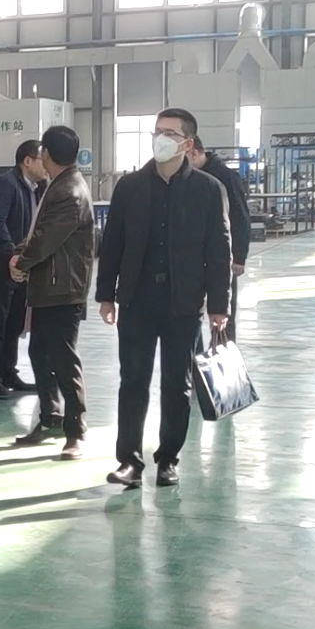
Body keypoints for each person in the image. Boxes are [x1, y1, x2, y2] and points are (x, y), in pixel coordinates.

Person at [96, 108, 231, 490]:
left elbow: (219, 251)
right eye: (157, 131)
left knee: (177, 386)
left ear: (187, 144)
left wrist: (219, 306)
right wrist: (106, 295)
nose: (160, 138)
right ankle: (129, 461)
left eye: (169, 133)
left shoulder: (208, 190)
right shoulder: (130, 187)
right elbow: (112, 243)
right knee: (133, 382)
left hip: (182, 303)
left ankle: (168, 459)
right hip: (137, 301)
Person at [8, 126, 95, 460]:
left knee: (63, 359)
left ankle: (76, 431)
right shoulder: (57, 185)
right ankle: (51, 418)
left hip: (63, 289)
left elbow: (47, 239)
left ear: (47, 153)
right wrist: (20, 253)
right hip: (49, 286)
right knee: (40, 354)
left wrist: (21, 262)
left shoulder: (69, 190)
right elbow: (38, 232)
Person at [0, 140, 47, 399]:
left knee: (14, 323)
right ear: (27, 161)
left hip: (21, 266)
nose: (46, 165)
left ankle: (8, 372)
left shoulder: (38, 188)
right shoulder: (5, 185)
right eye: (42, 159)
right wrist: (12, 255)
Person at [190, 137, 250, 341]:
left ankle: (223, 350)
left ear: (194, 153)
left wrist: (239, 256)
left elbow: (240, 217)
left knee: (222, 311)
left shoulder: (225, 177)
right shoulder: (185, 177)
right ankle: (193, 355)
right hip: (193, 256)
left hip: (222, 256)